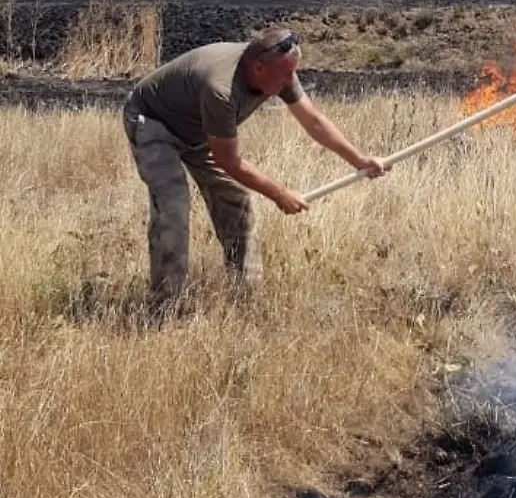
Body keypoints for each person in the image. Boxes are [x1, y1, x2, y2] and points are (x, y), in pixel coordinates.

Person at [122, 27, 388, 310]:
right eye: (285, 74)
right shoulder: (221, 88)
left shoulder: (278, 70)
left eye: (292, 73)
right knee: (173, 208)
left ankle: (245, 299)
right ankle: (163, 307)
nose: (290, 81)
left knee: (237, 201)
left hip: (198, 129)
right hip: (152, 121)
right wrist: (280, 193)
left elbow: (314, 121)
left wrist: (359, 160)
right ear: (259, 67)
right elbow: (229, 161)